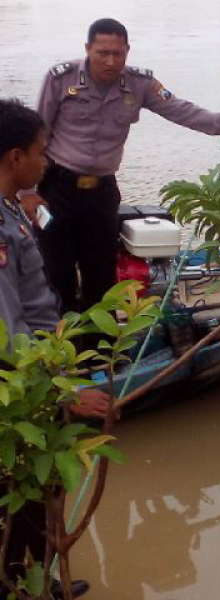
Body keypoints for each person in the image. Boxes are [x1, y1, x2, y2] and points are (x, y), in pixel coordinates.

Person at [20, 18, 220, 314]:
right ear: (88, 49)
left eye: (118, 53)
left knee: (100, 273)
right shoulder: (61, 79)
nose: (111, 61)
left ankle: (101, 351)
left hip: (101, 193)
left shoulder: (140, 84)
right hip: (55, 191)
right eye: (102, 52)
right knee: (55, 270)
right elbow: (37, 134)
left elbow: (183, 112)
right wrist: (27, 191)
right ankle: (60, 348)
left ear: (128, 50)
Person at [0, 97, 111, 599]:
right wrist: (65, 394)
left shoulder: (12, 207)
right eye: (42, 152)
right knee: (19, 497)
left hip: (37, 371)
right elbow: (8, 332)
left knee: (37, 499)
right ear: (15, 158)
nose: (48, 161)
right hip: (20, 387)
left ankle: (39, 582)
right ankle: (21, 585)